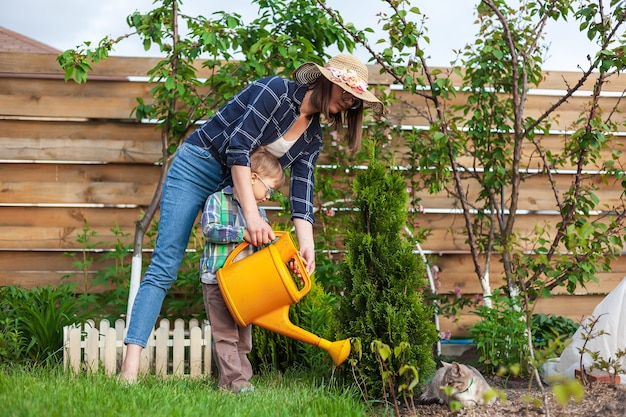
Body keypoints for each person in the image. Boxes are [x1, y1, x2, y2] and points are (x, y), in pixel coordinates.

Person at [119, 54, 383, 382]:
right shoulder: (275, 91)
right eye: (347, 91)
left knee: (242, 269)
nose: (349, 102)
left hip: (240, 185)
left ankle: (234, 373)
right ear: (327, 81)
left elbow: (302, 192)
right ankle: (129, 369)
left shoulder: (313, 137)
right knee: (165, 264)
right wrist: (251, 216)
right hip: (198, 166)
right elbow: (238, 148)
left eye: (355, 99)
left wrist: (306, 243)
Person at [200, 146, 285, 394]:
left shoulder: (259, 213)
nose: (269, 196)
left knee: (243, 338)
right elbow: (209, 229)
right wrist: (242, 234)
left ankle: (238, 383)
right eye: (269, 189)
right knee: (226, 334)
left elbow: (267, 244)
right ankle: (235, 383)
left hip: (244, 286)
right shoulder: (217, 200)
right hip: (217, 281)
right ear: (252, 178)